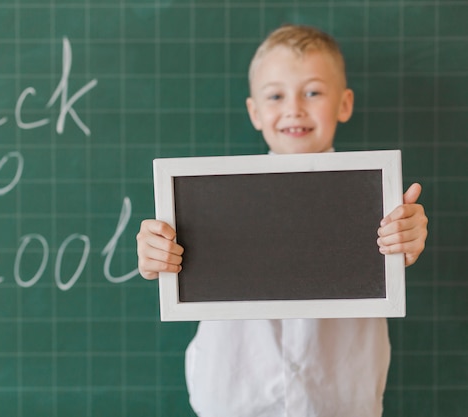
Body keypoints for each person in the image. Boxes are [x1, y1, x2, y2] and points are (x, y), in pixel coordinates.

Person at [136, 24, 428, 417]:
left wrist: (406, 237)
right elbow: (171, 260)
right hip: (235, 391)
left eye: (313, 92)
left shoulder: (379, 198)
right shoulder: (206, 200)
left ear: (344, 104)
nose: (294, 108)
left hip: (339, 396)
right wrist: (156, 256)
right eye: (276, 95)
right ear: (255, 112)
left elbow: (396, 251)